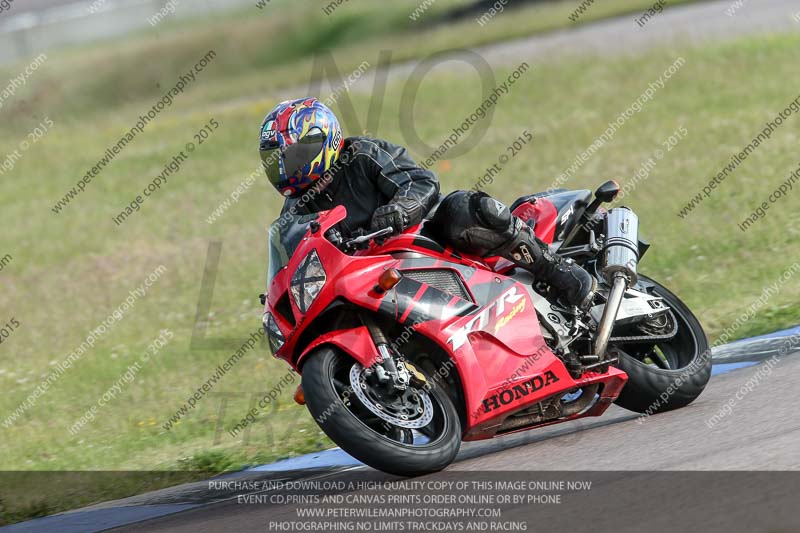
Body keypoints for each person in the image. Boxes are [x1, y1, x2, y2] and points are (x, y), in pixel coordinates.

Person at [259, 97, 595, 310]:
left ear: (324, 139)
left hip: (425, 240)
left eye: (294, 154)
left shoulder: (362, 155)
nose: (286, 167)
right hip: (373, 278)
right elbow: (296, 260)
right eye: (278, 160)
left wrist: (402, 208)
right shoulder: (295, 211)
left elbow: (420, 181)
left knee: (464, 209)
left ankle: (555, 268)